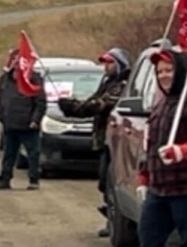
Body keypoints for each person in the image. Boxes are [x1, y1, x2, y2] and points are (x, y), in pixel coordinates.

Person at [137, 49, 187, 247]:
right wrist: (144, 176)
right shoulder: (161, 104)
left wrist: (184, 150)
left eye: (169, 70)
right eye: (159, 72)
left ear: (181, 71)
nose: (163, 75)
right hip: (159, 189)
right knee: (148, 236)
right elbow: (151, 145)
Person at [58, 47, 130, 237]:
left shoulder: (123, 84)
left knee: (110, 181)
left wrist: (74, 107)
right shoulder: (107, 82)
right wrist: (72, 106)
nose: (105, 66)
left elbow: (101, 105)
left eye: (109, 62)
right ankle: (111, 218)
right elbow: (92, 101)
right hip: (104, 140)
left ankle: (115, 221)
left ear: (120, 64)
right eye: (104, 62)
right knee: (104, 181)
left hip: (117, 140)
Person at [0, 55, 46, 190]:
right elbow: (0, 99)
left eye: (20, 59)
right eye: (14, 59)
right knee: (8, 155)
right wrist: (2, 117)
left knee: (33, 154)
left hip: (28, 126)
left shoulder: (34, 78)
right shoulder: (5, 79)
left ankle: (34, 180)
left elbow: (40, 103)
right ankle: (4, 179)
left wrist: (35, 120)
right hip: (10, 125)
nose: (16, 62)